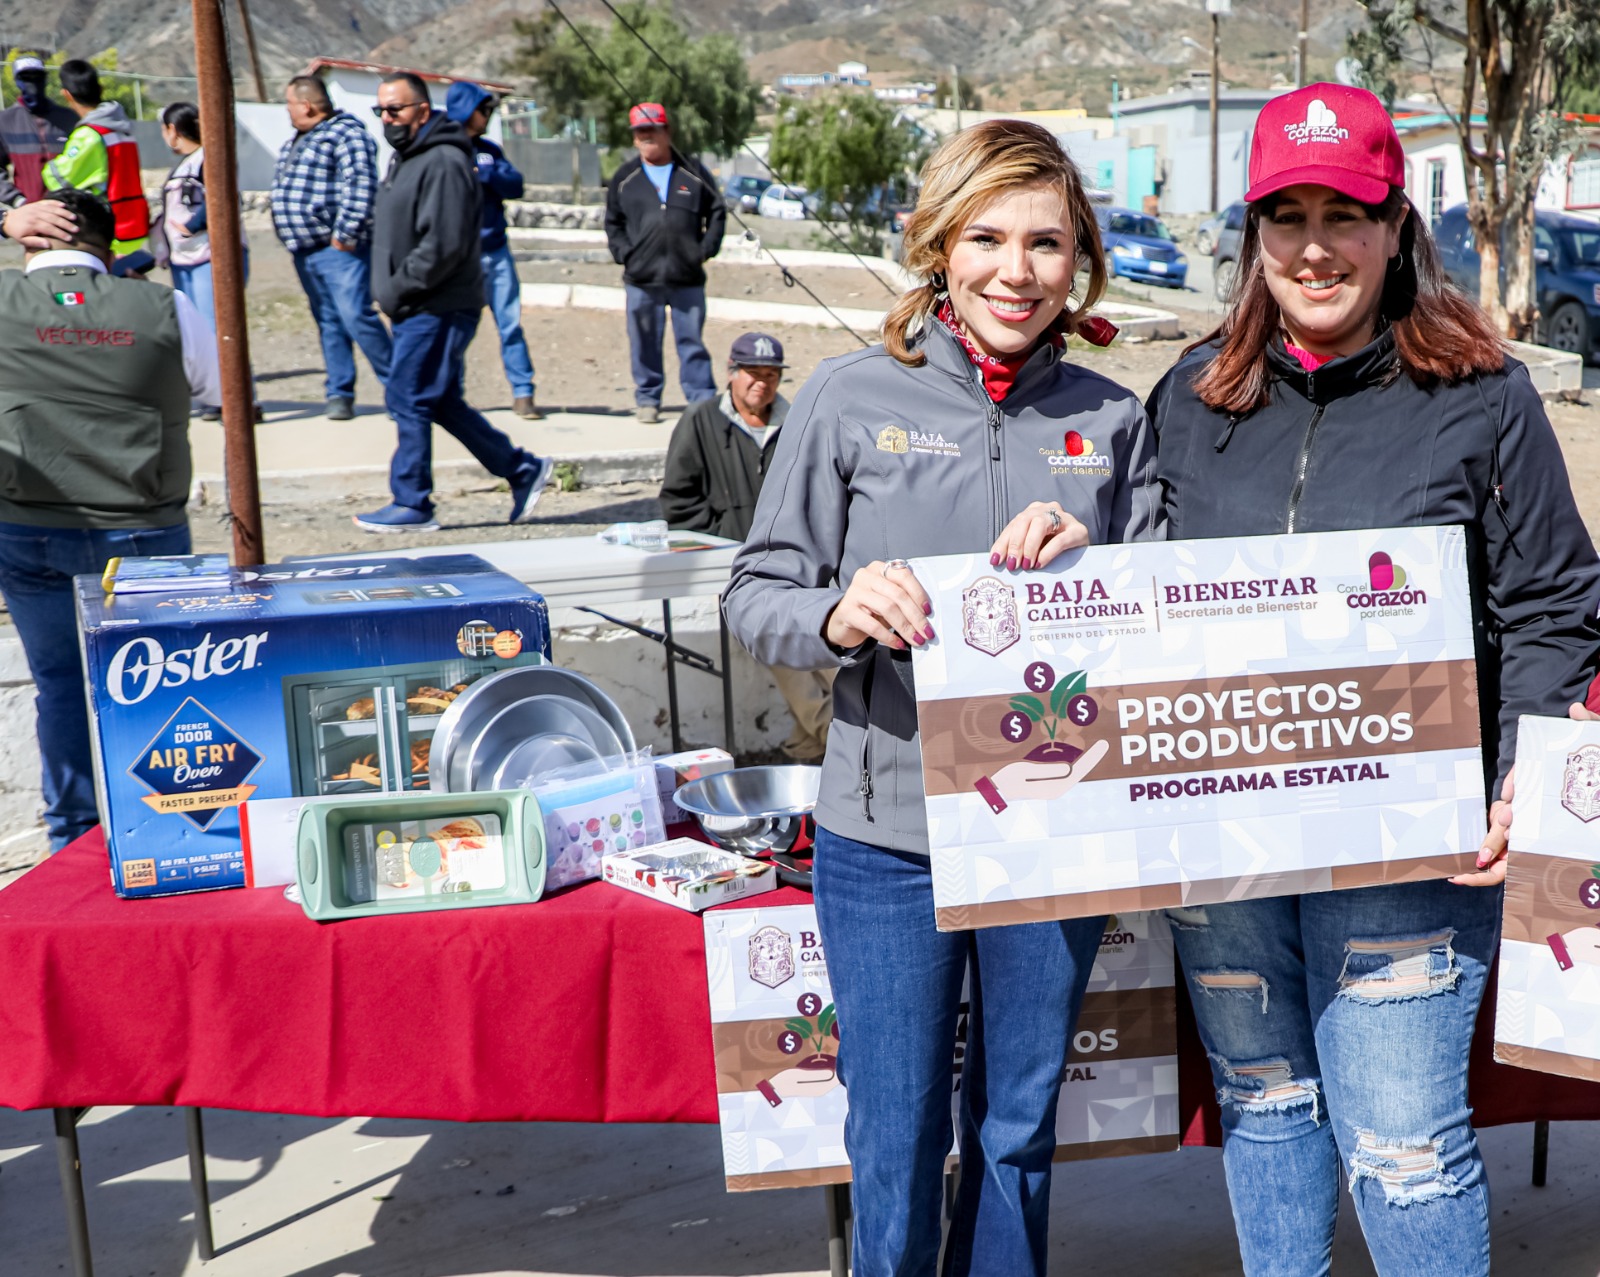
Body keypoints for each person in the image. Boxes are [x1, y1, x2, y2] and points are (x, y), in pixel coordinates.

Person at [1144, 83, 1600, 1277]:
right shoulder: (1190, 398)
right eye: (1283, 214)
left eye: (1342, 211)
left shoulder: (1482, 397)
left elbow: (1556, 603)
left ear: (1395, 224)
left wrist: (1522, 776)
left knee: (1399, 1146)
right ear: (1251, 234)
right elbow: (1134, 598)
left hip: (1411, 847)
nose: (1312, 245)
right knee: (1264, 1106)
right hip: (1225, 851)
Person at [723, 120, 1161, 1275]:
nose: (1016, 270)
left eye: (1046, 243)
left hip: (1050, 836)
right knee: (898, 1133)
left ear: (1080, 264)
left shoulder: (1115, 420)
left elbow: (1166, 620)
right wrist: (835, 610)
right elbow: (753, 593)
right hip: (888, 841)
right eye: (987, 238)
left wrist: (1101, 562)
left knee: (1015, 1133)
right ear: (937, 246)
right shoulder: (846, 398)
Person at [0, 188, 219, 851]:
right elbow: (215, 387)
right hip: (143, 528)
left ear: (30, 239)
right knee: (159, 683)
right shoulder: (165, 304)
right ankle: (172, 831)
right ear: (108, 244)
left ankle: (73, 834)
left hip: (28, 528)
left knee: (60, 684)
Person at [356, 72, 549, 533]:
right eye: (380, 110)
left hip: (436, 303)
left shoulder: (443, 160)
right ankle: (521, 469)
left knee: (407, 394)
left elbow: (442, 245)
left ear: (422, 111)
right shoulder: (407, 158)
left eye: (395, 109)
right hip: (416, 303)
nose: (387, 118)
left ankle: (412, 501)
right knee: (437, 399)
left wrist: (395, 289)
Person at [660, 331, 833, 761]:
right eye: (753, 374)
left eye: (772, 375)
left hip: (804, 569)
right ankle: (842, 745)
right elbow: (678, 501)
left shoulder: (797, 420)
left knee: (833, 662)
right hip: (742, 576)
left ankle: (804, 752)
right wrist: (725, 544)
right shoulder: (699, 421)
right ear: (731, 375)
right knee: (794, 667)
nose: (763, 383)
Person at [272, 75, 392, 421]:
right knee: (328, 320)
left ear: (306, 105)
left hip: (337, 249)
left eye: (289, 103)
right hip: (305, 250)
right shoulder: (299, 139)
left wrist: (345, 234)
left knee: (356, 315)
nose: (288, 111)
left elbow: (361, 184)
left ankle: (400, 389)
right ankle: (340, 392)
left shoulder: (345, 133)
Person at [604, 102, 724, 424]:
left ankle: (701, 402)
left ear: (667, 132)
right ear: (634, 138)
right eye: (640, 132)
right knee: (643, 343)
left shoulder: (694, 173)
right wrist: (624, 253)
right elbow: (613, 221)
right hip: (642, 279)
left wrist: (705, 249)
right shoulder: (624, 178)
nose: (646, 136)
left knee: (692, 343)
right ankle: (648, 398)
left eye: (652, 130)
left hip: (687, 277)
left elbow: (716, 212)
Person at [445, 81, 541, 420]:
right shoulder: (443, 149)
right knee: (455, 330)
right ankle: (450, 395)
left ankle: (523, 392)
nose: (488, 115)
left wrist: (485, 173)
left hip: (496, 253)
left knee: (510, 324)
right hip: (459, 259)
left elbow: (514, 184)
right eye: (483, 109)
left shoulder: (490, 152)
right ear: (467, 111)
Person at [43, 59, 148, 260]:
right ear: (100, 88)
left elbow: (59, 178)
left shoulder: (88, 135)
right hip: (133, 224)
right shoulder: (122, 129)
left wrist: (51, 165)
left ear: (66, 94)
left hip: (107, 232)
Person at [0, 54, 78, 208]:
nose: (32, 82)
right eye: (26, 77)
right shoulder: (5, 121)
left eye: (37, 76)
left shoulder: (69, 118)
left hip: (70, 211)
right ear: (17, 81)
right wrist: (17, 200)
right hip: (31, 213)